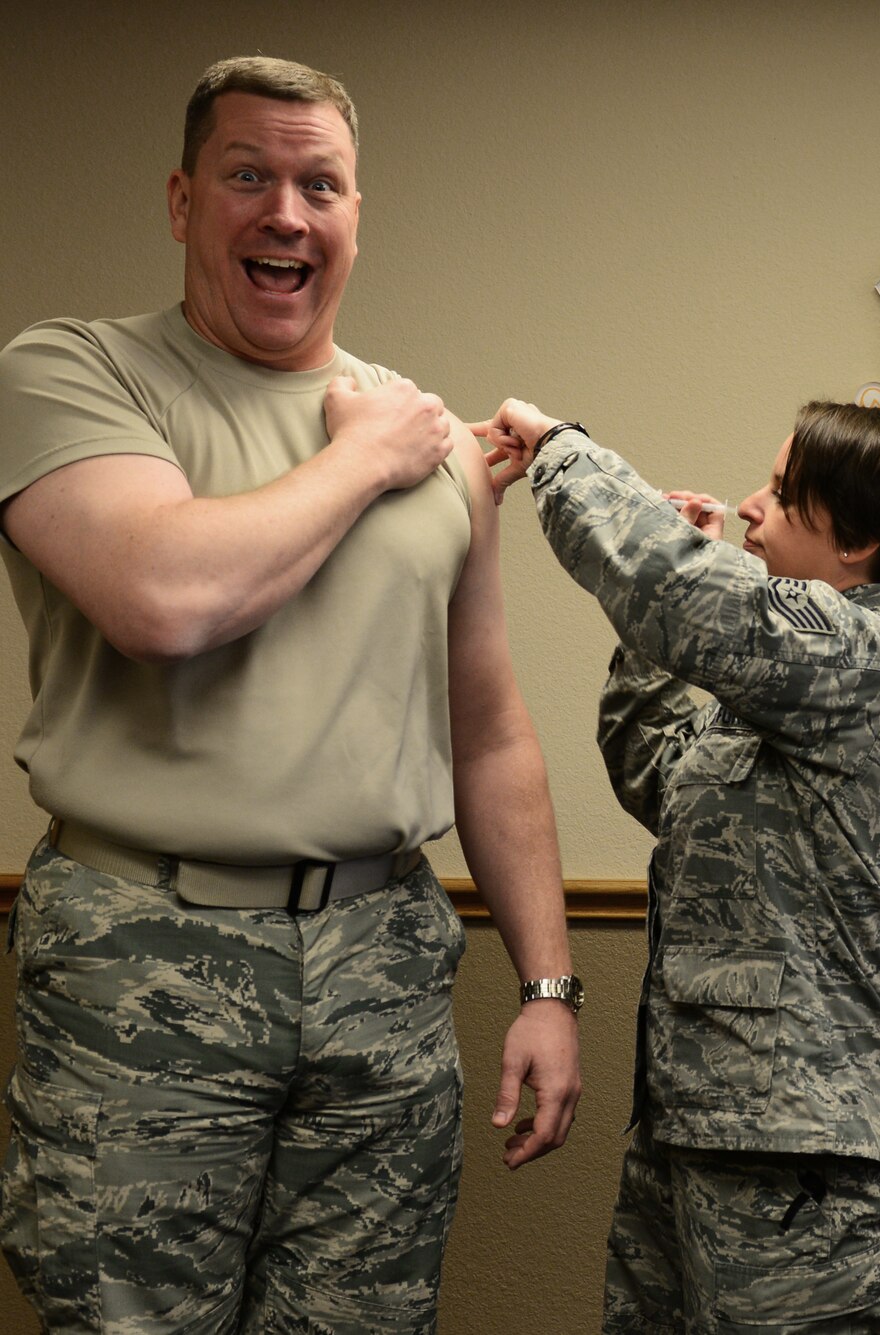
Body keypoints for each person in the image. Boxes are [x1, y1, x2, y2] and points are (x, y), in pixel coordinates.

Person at [0, 57, 581, 1332]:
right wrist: (363, 454)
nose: (286, 213)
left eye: (320, 184)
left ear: (355, 217)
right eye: (248, 176)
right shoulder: (73, 373)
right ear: (181, 201)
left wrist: (547, 987)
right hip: (141, 954)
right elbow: (167, 600)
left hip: (380, 966)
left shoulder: (438, 458)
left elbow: (486, 729)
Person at [477, 394, 880, 1333]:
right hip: (698, 1128)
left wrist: (564, 450)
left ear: (855, 538)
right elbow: (656, 768)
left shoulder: (864, 659)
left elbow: (677, 589)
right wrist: (653, 642)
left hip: (800, 1156)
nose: (748, 507)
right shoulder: (781, 694)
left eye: (780, 494)